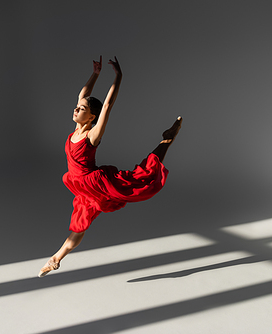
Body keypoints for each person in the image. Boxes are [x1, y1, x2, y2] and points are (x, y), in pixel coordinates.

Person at [38, 56, 182, 277]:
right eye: (77, 107)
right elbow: (82, 94)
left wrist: (118, 76)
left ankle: (167, 140)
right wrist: (95, 74)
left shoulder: (92, 135)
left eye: (82, 108)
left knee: (140, 178)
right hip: (80, 185)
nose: (77, 109)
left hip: (96, 182)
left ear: (91, 116)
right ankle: (56, 259)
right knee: (80, 223)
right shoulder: (75, 131)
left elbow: (107, 105)